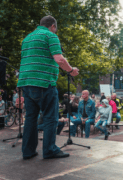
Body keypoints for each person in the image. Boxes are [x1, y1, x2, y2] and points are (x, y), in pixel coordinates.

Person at [17, 15, 79, 160]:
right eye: (55, 29)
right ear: (53, 26)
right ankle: (50, 150)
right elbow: (59, 59)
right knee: (51, 118)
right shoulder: (50, 36)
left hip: (26, 82)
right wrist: (71, 71)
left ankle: (28, 151)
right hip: (44, 83)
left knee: (31, 118)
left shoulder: (27, 39)